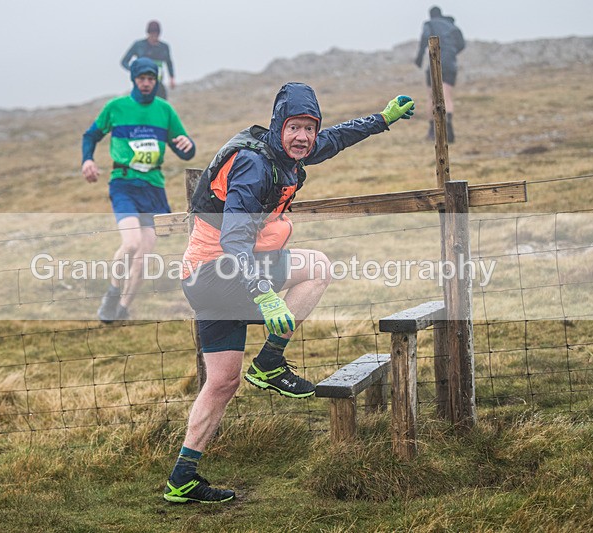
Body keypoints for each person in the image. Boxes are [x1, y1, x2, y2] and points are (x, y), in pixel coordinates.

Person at [162, 82, 415, 504]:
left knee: (222, 381)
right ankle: (270, 362)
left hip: (205, 281)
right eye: (295, 127)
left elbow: (337, 138)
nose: (304, 136)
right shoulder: (254, 165)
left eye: (309, 128)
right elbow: (235, 239)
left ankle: (182, 477)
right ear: (280, 126)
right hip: (219, 271)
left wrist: (382, 120)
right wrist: (263, 293)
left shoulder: (290, 151)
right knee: (317, 267)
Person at [81, 57, 195, 323]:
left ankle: (121, 308)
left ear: (156, 81)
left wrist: (187, 145)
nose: (146, 83)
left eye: (151, 79)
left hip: (154, 188)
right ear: (133, 79)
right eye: (142, 79)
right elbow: (91, 135)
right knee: (131, 244)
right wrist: (88, 159)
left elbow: (184, 148)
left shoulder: (164, 110)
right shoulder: (116, 107)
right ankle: (111, 294)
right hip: (124, 184)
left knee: (145, 253)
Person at [415, 6, 465, 142]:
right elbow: (461, 44)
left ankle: (432, 130)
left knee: (432, 96)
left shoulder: (429, 24)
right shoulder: (451, 26)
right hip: (450, 64)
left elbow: (425, 38)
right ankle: (448, 122)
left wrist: (419, 57)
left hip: (434, 62)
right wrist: (452, 53)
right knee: (447, 95)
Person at [120, 20, 175, 100]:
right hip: (142, 84)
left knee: (160, 106)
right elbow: (124, 61)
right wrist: (134, 70)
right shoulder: (139, 45)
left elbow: (169, 63)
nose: (154, 37)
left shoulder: (164, 47)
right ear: (148, 33)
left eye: (156, 35)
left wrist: (172, 77)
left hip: (158, 83)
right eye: (152, 34)